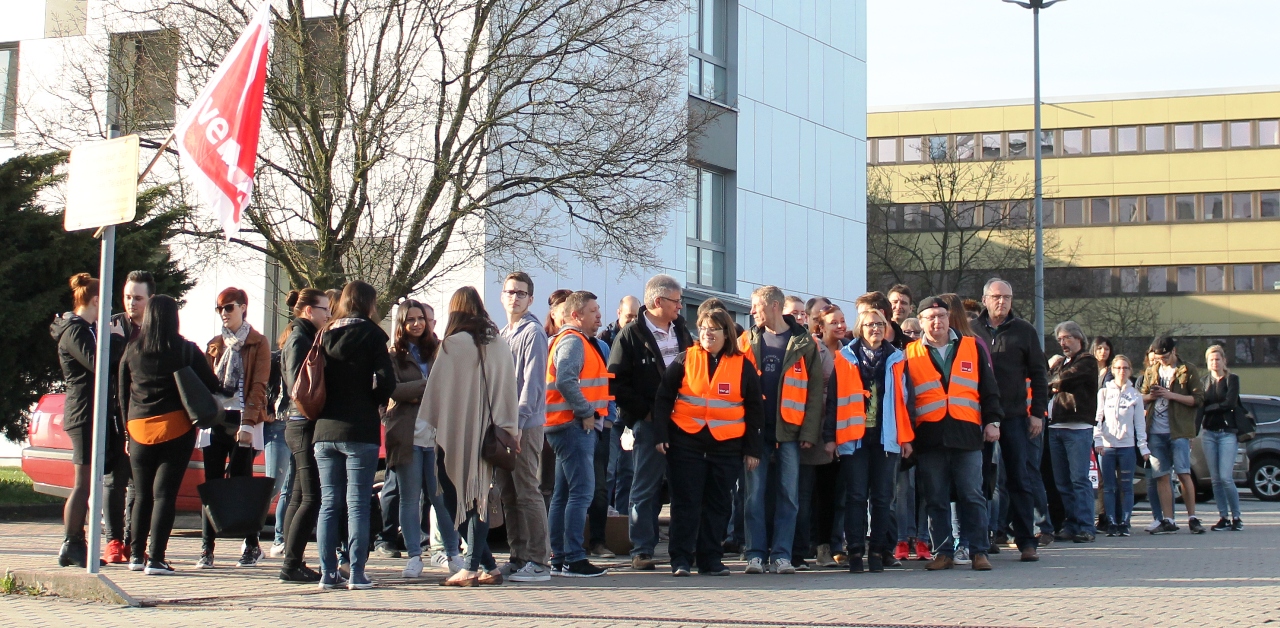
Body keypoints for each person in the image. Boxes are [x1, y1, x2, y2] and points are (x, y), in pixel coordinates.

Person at [419, 287, 519, 586]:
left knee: (457, 498)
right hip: (490, 434)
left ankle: (471, 567)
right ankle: (489, 566)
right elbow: (508, 390)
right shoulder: (499, 343)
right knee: (478, 497)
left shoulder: (452, 344)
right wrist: (509, 429)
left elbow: (436, 393)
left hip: (456, 431)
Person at [652, 308, 764, 576]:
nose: (707, 333)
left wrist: (752, 449)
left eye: (713, 329)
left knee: (719, 505)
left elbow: (754, 409)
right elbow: (663, 397)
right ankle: (681, 559)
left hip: (726, 446)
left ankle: (711, 559)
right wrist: (661, 435)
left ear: (727, 333)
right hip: (686, 443)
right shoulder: (685, 359)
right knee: (685, 503)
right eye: (703, 328)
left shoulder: (743, 365)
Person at [119, 294, 220, 574]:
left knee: (141, 495)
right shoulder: (185, 349)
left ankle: (136, 556)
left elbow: (122, 393)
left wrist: (126, 429)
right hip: (175, 428)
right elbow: (212, 384)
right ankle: (156, 559)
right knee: (164, 495)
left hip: (138, 429)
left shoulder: (132, 350)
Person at [905, 297, 1003, 572]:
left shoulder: (971, 346)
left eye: (941, 316)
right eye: (931, 317)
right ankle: (943, 552)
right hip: (930, 435)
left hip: (966, 433)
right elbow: (905, 398)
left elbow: (989, 388)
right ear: (921, 321)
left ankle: (979, 551)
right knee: (935, 497)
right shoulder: (910, 353)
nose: (937, 321)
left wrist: (993, 421)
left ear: (949, 318)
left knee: (972, 494)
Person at [314, 281, 396, 590]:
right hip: (360, 428)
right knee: (358, 504)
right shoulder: (373, 334)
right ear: (368, 304)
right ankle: (357, 573)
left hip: (325, 427)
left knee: (329, 503)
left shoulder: (324, 334)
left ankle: (327, 573)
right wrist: (371, 400)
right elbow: (387, 382)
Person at [608, 274, 693, 571]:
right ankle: (642, 549)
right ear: (658, 301)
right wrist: (644, 413)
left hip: (683, 422)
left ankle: (682, 550)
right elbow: (616, 382)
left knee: (683, 487)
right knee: (645, 486)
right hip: (648, 424)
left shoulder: (682, 331)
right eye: (676, 301)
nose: (680, 306)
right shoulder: (630, 335)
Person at [738, 285, 824, 575]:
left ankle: (782, 555)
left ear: (774, 306)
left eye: (757, 306)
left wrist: (809, 433)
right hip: (755, 432)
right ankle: (755, 554)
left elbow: (814, 392)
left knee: (789, 496)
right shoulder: (746, 340)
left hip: (790, 431)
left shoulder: (804, 342)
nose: (752, 312)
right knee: (754, 495)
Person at [51, 273, 125, 568]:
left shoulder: (87, 329)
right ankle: (71, 543)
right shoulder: (75, 331)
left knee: (94, 480)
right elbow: (97, 363)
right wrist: (115, 340)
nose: (109, 311)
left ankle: (78, 543)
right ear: (96, 301)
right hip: (83, 414)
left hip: (95, 412)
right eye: (106, 304)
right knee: (83, 482)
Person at [832, 307, 914, 573]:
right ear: (860, 328)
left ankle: (878, 551)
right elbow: (833, 400)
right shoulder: (845, 357)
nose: (875, 329)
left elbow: (905, 401)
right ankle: (855, 551)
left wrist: (906, 438)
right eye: (870, 324)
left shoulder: (897, 358)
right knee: (856, 496)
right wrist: (830, 438)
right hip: (853, 437)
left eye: (879, 324)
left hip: (886, 436)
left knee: (882, 498)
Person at [973, 278, 1049, 561]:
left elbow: (1039, 375)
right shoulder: (972, 330)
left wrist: (1037, 413)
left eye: (1006, 297)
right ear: (985, 300)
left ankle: (1027, 541)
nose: (1002, 302)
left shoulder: (1024, 331)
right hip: (980, 416)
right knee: (980, 479)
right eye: (996, 297)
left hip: (1015, 415)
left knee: (1019, 478)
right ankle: (982, 539)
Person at [387, 300, 463, 578]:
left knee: (441, 497)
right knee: (409, 498)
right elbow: (393, 389)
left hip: (437, 435)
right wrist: (426, 387)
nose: (417, 323)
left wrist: (416, 392)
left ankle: (453, 554)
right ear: (402, 323)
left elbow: (450, 386)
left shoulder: (440, 349)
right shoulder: (393, 354)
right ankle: (414, 556)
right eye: (410, 319)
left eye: (421, 318)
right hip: (407, 434)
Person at [197, 287, 272, 569]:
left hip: (244, 417)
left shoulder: (258, 342)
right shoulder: (215, 344)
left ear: (243, 308)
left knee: (243, 481)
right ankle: (207, 548)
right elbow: (206, 385)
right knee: (212, 483)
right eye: (220, 309)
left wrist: (249, 423)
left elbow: (258, 386)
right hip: (217, 418)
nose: (224, 313)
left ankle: (251, 545)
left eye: (229, 307)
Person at [543, 291, 611, 577]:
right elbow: (565, 380)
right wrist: (586, 412)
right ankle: (573, 558)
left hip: (563, 424)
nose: (599, 316)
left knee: (563, 493)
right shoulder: (573, 341)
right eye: (593, 311)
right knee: (581, 492)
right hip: (573, 425)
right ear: (575, 315)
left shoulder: (571, 340)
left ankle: (560, 557)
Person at [495, 272, 553, 583]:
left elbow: (532, 383)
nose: (514, 298)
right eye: (510, 292)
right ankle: (518, 556)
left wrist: (517, 423)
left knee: (527, 489)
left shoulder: (533, 332)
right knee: (508, 492)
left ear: (530, 299)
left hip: (525, 425)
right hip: (502, 424)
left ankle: (539, 560)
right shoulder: (504, 333)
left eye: (520, 293)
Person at [277, 289, 329, 583]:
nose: (328, 315)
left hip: (299, 422)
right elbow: (298, 385)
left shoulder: (303, 335)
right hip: (302, 422)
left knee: (298, 496)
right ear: (309, 310)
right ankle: (290, 564)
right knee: (311, 497)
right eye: (324, 310)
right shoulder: (300, 338)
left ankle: (292, 560)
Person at [1140, 336, 1205, 535]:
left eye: (1165, 357)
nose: (1162, 361)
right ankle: (1168, 519)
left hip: (1179, 430)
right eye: (1159, 358)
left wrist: (1171, 395)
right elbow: (1141, 397)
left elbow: (1198, 399)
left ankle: (1192, 517)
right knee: (1161, 475)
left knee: (1184, 472)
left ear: (1174, 351)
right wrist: (1151, 396)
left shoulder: (1187, 369)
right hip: (1155, 431)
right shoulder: (1152, 371)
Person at [1046, 321, 1099, 543]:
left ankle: (1086, 526)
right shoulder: (1062, 363)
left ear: (1079, 338)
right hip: (1056, 425)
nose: (1063, 343)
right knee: (1062, 482)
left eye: (1067, 337)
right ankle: (1071, 523)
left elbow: (1064, 380)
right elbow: (1050, 382)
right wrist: (1051, 376)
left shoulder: (1087, 361)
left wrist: (1052, 378)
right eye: (1060, 339)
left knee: (1079, 479)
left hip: (1077, 426)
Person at [1093, 354, 1148, 536]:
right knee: (1109, 487)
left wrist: (1143, 446)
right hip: (1107, 446)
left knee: (1126, 486)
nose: (1121, 371)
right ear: (1112, 370)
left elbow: (1139, 424)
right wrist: (1098, 440)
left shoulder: (1135, 395)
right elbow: (1097, 419)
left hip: (1127, 446)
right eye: (1118, 368)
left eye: (1125, 368)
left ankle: (1125, 522)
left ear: (1130, 371)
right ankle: (1111, 522)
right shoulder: (1104, 393)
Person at [1200, 345, 1244, 532]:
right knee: (1215, 479)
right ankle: (1223, 517)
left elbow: (1229, 403)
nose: (1215, 362)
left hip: (1227, 433)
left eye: (1218, 359)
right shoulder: (1204, 381)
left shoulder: (1231, 379)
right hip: (1209, 433)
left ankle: (1237, 517)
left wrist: (1209, 408)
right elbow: (1199, 405)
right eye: (1211, 360)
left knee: (1226, 477)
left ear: (1224, 360)